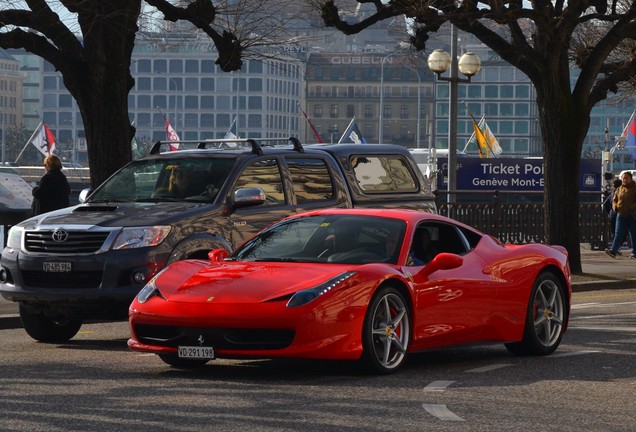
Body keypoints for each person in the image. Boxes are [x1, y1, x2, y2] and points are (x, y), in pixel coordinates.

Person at [605, 171, 636, 258]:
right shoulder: (619, 189)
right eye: (623, 178)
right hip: (621, 214)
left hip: (632, 215)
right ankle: (613, 251)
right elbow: (614, 200)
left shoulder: (634, 188)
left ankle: (635, 252)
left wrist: (631, 207)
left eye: (626, 178)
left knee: (633, 234)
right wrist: (615, 207)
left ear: (630, 179)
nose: (624, 180)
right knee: (618, 233)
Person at [603, 178, 623, 250]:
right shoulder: (622, 193)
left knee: (614, 231)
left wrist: (610, 212)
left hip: (613, 214)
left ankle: (615, 248)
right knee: (621, 232)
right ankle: (615, 248)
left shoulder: (612, 193)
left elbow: (605, 204)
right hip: (621, 214)